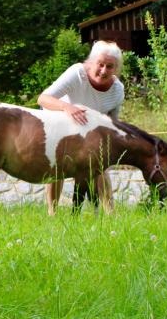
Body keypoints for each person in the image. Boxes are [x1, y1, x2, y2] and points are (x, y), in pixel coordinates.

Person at [37, 40, 125, 214]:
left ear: (116, 69)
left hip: (88, 128)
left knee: (101, 165)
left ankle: (110, 213)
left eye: (110, 66)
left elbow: (113, 122)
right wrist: (67, 108)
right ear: (92, 62)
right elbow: (43, 99)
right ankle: (52, 213)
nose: (103, 70)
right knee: (58, 165)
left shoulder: (117, 90)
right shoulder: (77, 73)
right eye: (100, 64)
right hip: (58, 119)